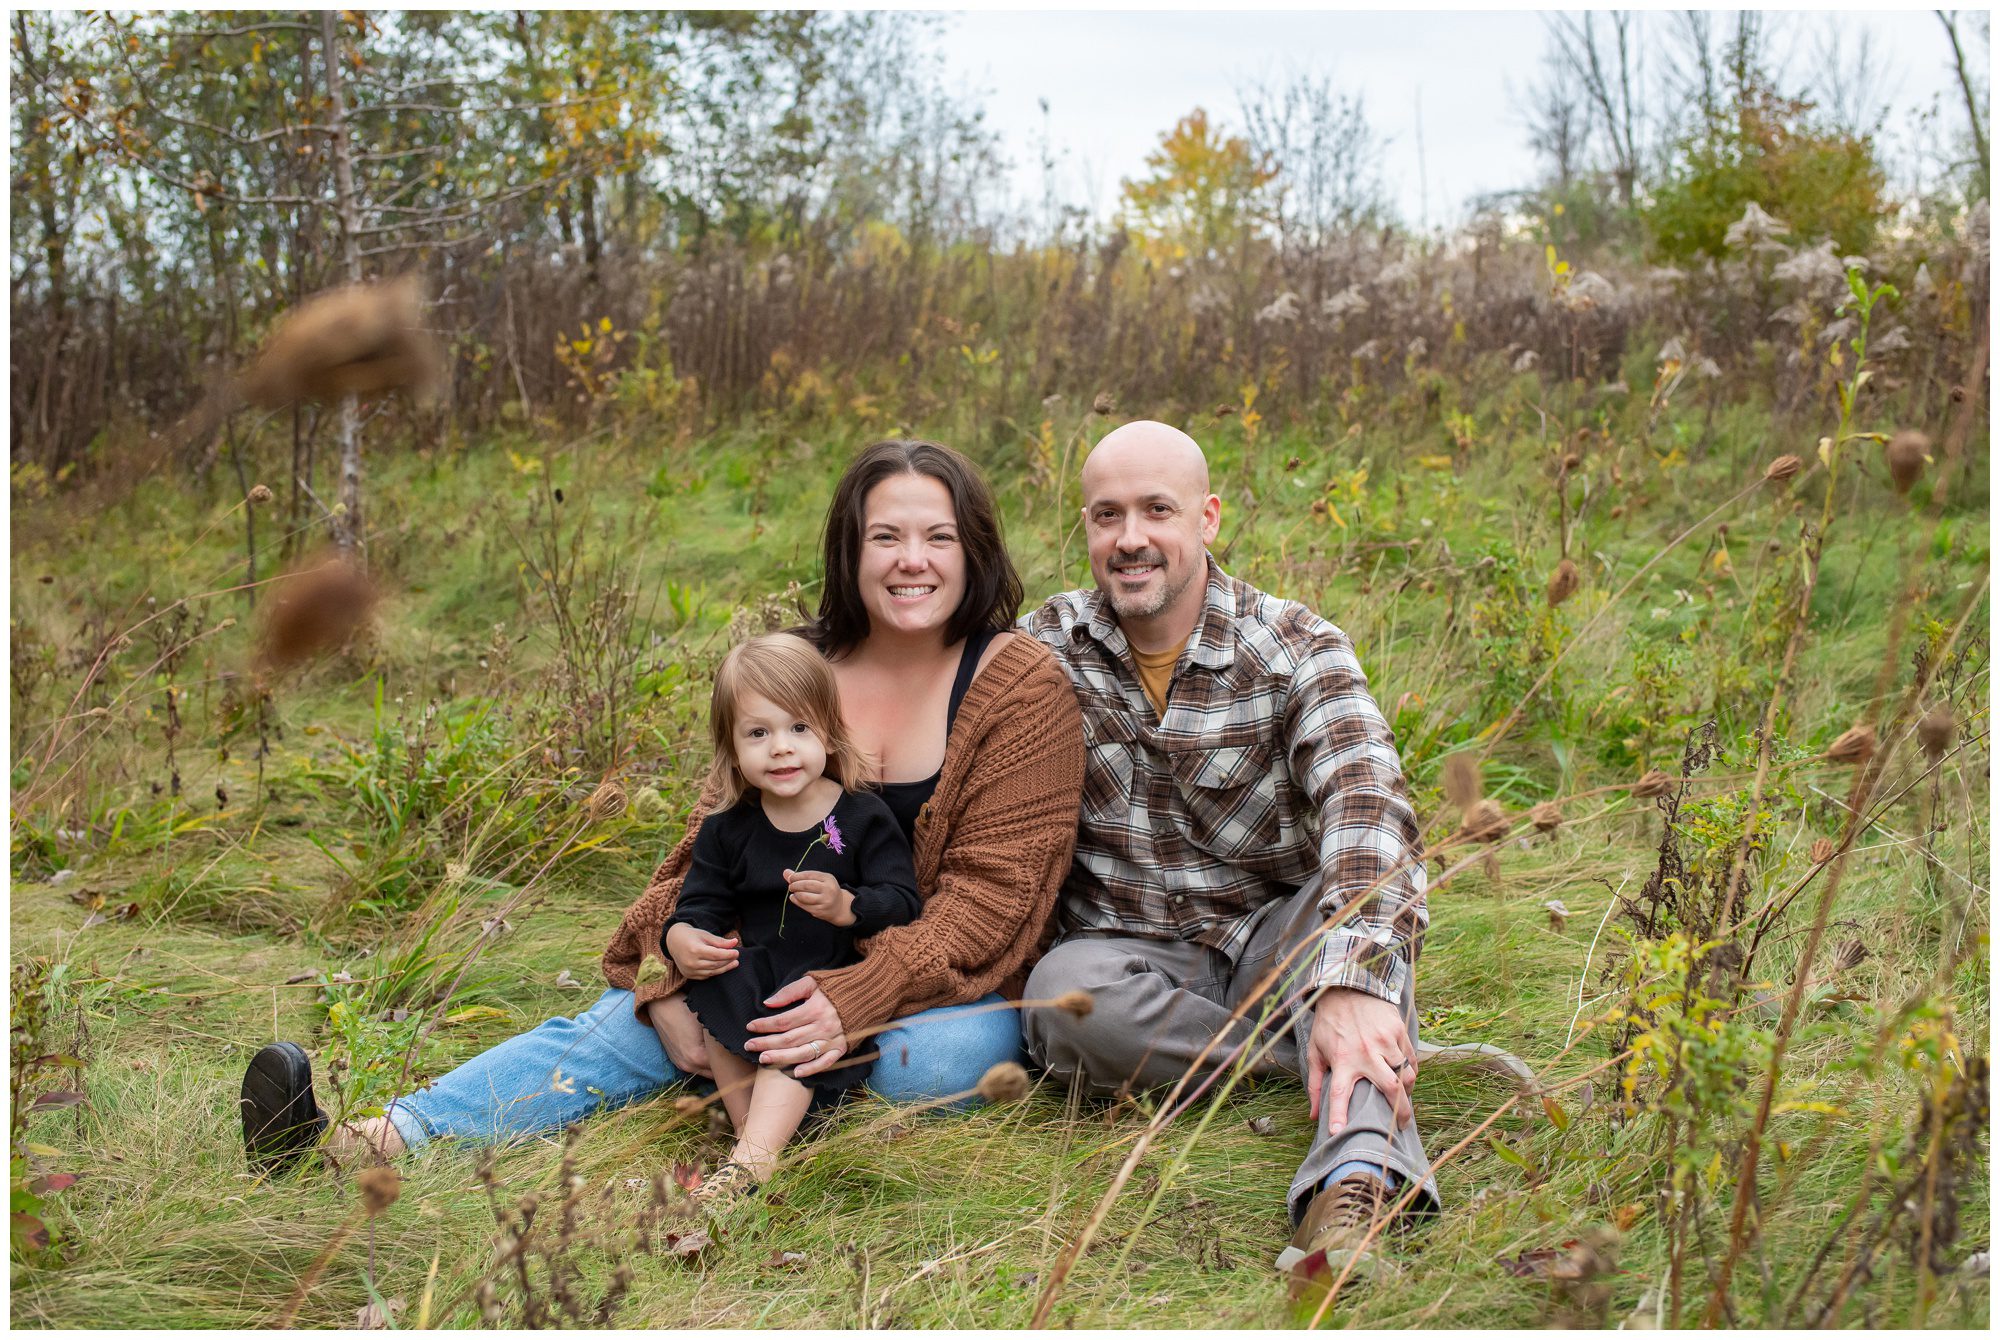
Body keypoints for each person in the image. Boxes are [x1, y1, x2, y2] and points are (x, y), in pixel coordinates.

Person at [241, 439, 1086, 1176]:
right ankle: (365, 1139)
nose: (913, 560)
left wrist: (856, 995)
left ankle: (753, 1097)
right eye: (886, 537)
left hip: (931, 994)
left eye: (939, 537)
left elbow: (992, 900)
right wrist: (670, 966)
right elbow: (704, 848)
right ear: (850, 551)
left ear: (973, 550)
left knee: (930, 1065)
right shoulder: (798, 667)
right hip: (762, 966)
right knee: (631, 1023)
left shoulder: (1018, 685)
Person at [1018, 420, 1435, 1294]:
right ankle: (1319, 1049)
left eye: (1156, 510)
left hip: (1274, 936)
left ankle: (1351, 1190)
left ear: (1207, 518)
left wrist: (1347, 977)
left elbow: (1368, 807)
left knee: (1358, 909)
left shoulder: (1295, 646)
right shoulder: (1043, 650)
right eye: (1106, 516)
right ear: (1086, 529)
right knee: (1060, 1001)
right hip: (1128, 959)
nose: (1130, 538)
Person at [666, 632, 923, 1204]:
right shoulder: (727, 827)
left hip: (825, 977)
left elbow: (903, 901)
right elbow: (699, 904)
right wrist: (681, 937)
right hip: (752, 967)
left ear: (828, 733)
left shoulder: (861, 816)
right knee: (719, 995)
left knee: (789, 1016)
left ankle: (753, 1159)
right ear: (731, 750)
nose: (781, 748)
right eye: (758, 733)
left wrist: (847, 905)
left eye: (798, 729)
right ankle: (749, 1143)